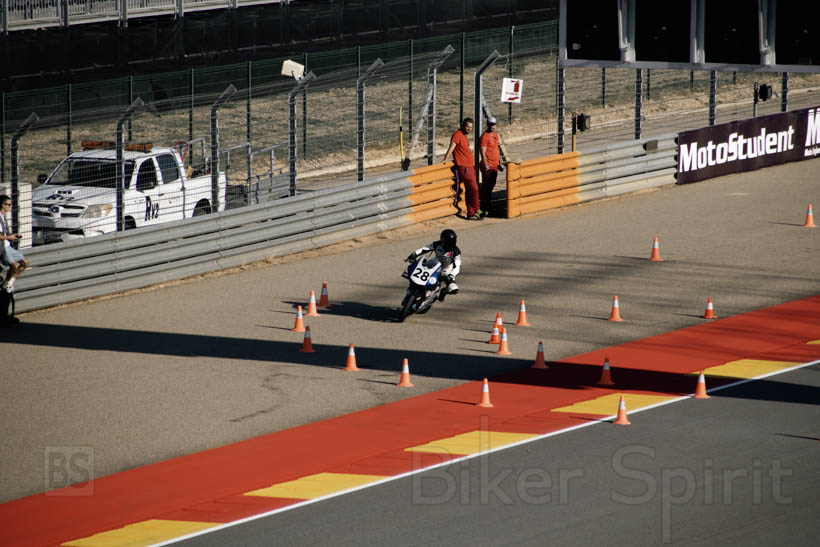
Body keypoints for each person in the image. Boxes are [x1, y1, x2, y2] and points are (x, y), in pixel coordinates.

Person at [405, 228, 462, 302]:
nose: (451, 244)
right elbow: (425, 249)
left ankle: (444, 291)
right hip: (434, 263)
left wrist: (451, 275)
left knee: (454, 288)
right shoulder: (437, 244)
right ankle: (411, 289)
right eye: (449, 242)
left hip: (446, 269)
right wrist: (414, 254)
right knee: (417, 268)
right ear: (443, 240)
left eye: (453, 241)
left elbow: (457, 265)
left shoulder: (456, 251)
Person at [443, 118, 482, 220]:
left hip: (470, 166)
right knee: (474, 188)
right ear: (463, 125)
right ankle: (477, 209)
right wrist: (445, 159)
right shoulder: (457, 135)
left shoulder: (464, 136)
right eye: (467, 126)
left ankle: (471, 213)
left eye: (471, 127)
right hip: (464, 167)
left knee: (469, 190)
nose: (469, 129)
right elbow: (452, 147)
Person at [0, 195, 29, 294]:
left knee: (25, 262)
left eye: (10, 204)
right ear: (2, 205)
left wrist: (13, 236)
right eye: (8, 205)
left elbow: (4, 234)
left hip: (7, 246)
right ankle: (6, 286)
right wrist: (9, 237)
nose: (10, 207)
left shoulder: (3, 217)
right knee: (15, 266)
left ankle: (8, 284)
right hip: (2, 248)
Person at [479, 116, 503, 217]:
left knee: (491, 185)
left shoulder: (495, 135)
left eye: (493, 124)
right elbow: (482, 153)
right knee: (487, 187)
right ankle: (485, 207)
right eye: (490, 124)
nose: (492, 126)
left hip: (494, 164)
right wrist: (486, 166)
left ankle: (487, 204)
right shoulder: (484, 137)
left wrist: (499, 162)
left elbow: (496, 149)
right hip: (488, 165)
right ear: (487, 125)